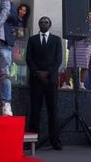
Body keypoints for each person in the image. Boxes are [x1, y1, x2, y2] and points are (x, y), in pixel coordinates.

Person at [26, 16, 63, 150]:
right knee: (35, 110)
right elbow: (29, 58)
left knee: (53, 111)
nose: (43, 24)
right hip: (36, 80)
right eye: (41, 22)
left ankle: (55, 141)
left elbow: (58, 59)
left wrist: (48, 73)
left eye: (46, 22)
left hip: (51, 80)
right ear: (38, 24)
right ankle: (32, 141)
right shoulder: (32, 39)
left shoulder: (56, 40)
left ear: (50, 24)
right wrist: (37, 73)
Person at [0, 2, 28, 115]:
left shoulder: (9, 4)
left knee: (5, 73)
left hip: (7, 43)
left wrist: (1, 10)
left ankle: (6, 104)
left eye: (24, 10)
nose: (22, 11)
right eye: (21, 9)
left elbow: (13, 17)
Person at [62, 11, 91, 90]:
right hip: (74, 43)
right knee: (70, 65)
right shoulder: (74, 22)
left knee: (84, 65)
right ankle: (66, 83)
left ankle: (82, 84)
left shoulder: (89, 24)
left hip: (86, 44)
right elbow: (69, 33)